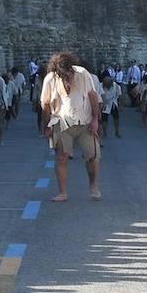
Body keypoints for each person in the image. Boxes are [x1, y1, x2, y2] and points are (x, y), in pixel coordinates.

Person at [41, 51, 102, 201]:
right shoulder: (50, 79)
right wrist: (47, 126)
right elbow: (45, 104)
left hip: (85, 122)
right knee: (61, 158)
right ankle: (63, 193)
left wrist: (95, 120)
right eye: (63, 76)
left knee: (93, 156)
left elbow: (93, 97)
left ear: (72, 69)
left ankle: (93, 186)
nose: (67, 78)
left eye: (69, 74)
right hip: (61, 122)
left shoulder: (82, 74)